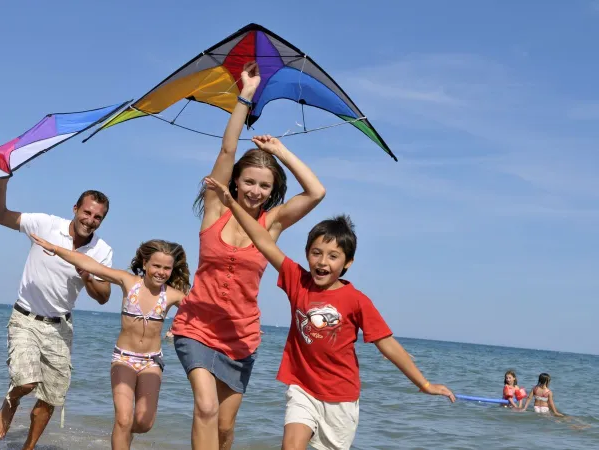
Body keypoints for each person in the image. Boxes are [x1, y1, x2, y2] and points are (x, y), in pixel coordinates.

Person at [203, 176, 455, 450]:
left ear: (348, 262)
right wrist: (231, 203)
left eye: (333, 256)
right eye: (316, 253)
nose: (322, 262)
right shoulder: (297, 280)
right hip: (302, 389)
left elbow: (388, 344)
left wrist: (425, 383)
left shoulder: (356, 301)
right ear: (307, 254)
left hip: (341, 399)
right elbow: (262, 239)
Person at [171, 61, 326, 450]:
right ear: (236, 181)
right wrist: (246, 94)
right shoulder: (215, 207)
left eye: (264, 185)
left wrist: (280, 150)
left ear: (271, 190)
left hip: (242, 337)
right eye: (249, 182)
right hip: (195, 327)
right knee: (204, 408)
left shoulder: (271, 224)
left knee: (224, 428)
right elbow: (227, 148)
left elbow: (316, 193)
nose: (255, 190)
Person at [30, 235, 191, 449]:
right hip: (123, 358)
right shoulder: (129, 282)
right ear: (145, 264)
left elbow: (204, 309)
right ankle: (122, 432)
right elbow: (91, 265)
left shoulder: (172, 295)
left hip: (152, 361)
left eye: (167, 268)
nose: (161, 272)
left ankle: (125, 435)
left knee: (144, 423)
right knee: (123, 419)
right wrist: (55, 248)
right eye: (156, 265)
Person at [0, 178, 112, 449]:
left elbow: (103, 296)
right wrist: (3, 179)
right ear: (75, 208)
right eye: (87, 212)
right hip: (25, 318)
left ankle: (28, 448)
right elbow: (1, 215)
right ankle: (7, 407)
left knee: (51, 397)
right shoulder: (46, 224)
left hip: (60, 328)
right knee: (26, 382)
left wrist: (87, 277)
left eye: (98, 217)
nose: (91, 220)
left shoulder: (101, 251)